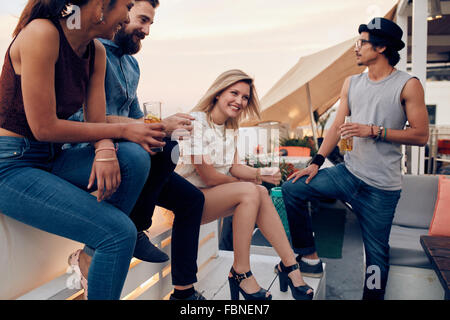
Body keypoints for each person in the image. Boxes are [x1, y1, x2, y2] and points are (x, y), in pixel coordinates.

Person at [0, 0, 171, 300]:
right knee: (118, 233)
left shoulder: (96, 51)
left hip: (50, 158)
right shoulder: (42, 33)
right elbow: (45, 127)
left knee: (133, 156)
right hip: (10, 165)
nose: (128, 17)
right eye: (127, 6)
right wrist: (122, 129)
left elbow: (95, 119)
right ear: (100, 5)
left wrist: (105, 150)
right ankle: (102, 245)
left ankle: (89, 256)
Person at [67, 0, 205, 300]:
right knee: (161, 146)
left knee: (191, 197)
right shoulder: (88, 52)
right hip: (87, 151)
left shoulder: (131, 65)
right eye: (142, 19)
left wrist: (157, 126)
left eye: (150, 24)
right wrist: (151, 127)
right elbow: (79, 118)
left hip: (129, 152)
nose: (146, 30)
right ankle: (132, 228)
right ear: (120, 12)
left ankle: (184, 291)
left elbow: (134, 119)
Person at [282, 17, 429, 300]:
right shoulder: (351, 83)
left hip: (381, 188)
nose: (356, 48)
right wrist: (315, 162)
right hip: (347, 174)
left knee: (376, 259)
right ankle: (308, 255)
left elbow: (421, 135)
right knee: (293, 188)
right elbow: (336, 127)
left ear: (382, 47)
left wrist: (375, 131)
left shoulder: (408, 85)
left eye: (362, 42)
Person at [176, 69, 314, 300]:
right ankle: (241, 272)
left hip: (212, 196)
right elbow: (208, 176)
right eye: (234, 93)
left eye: (245, 97)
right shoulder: (195, 123)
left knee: (258, 190)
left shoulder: (231, 127)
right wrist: (245, 183)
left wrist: (261, 174)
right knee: (252, 191)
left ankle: (290, 266)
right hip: (187, 201)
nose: (239, 101)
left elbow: (235, 166)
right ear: (218, 93)